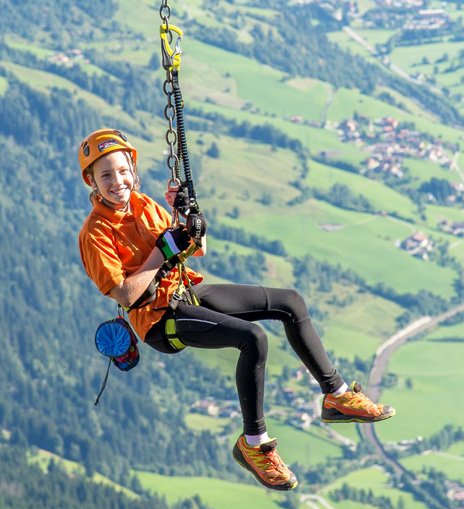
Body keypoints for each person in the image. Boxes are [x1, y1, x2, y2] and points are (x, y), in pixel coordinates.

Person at [75, 128, 396, 490]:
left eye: (122, 171)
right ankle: (254, 445)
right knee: (253, 339)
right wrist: (161, 252)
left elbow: (198, 249)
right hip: (158, 320)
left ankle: (337, 397)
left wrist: (189, 217)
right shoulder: (96, 232)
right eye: (106, 175)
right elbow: (125, 295)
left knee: (289, 302)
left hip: (185, 291)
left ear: (133, 169)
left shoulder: (144, 205)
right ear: (92, 181)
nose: (117, 181)